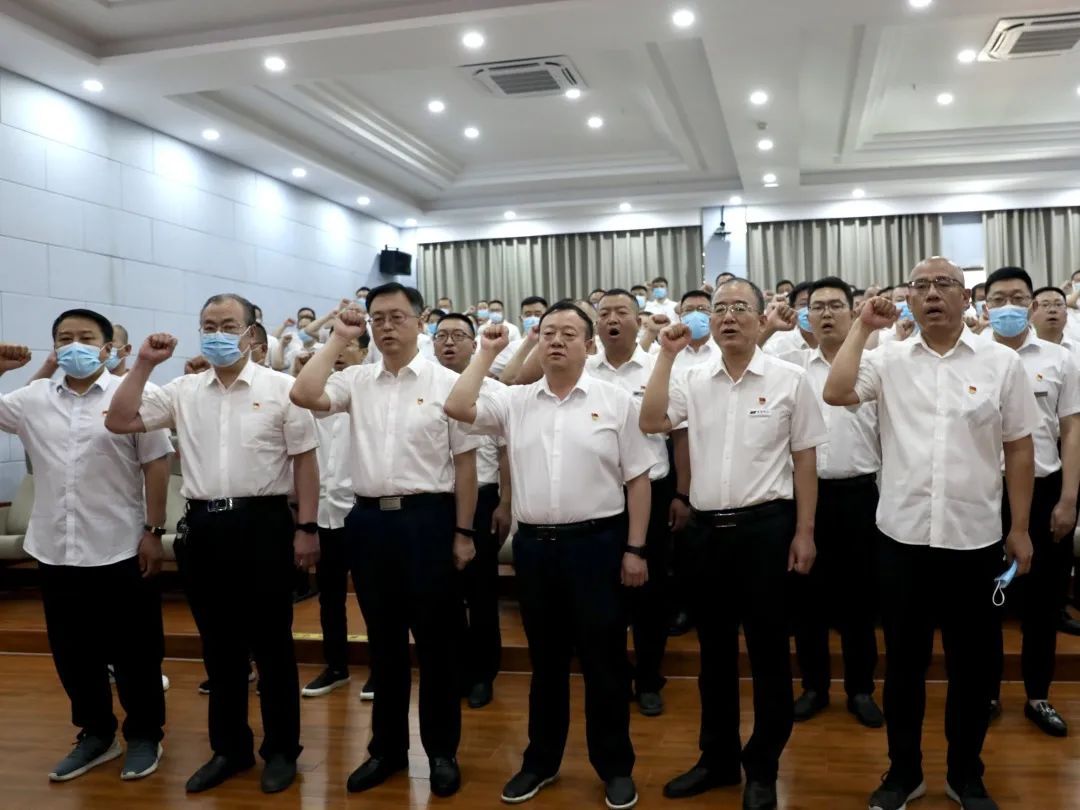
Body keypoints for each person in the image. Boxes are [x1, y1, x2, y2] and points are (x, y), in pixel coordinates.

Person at [823, 257, 1038, 810]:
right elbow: (836, 392)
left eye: (945, 284)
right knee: (903, 667)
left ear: (967, 298)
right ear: (910, 300)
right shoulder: (887, 359)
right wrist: (862, 327)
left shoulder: (1001, 362)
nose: (933, 293)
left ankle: (966, 775)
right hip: (902, 540)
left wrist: (1019, 528)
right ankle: (904, 773)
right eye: (921, 286)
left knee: (973, 670)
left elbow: (1019, 448)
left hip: (975, 540)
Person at [105, 293, 320, 796]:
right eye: (207, 325)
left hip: (264, 523)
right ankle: (230, 748)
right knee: (219, 649)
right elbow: (118, 419)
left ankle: (281, 750)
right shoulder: (183, 390)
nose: (216, 334)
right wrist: (144, 364)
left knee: (272, 647)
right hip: (204, 527)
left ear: (251, 333)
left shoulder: (282, 388)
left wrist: (307, 527)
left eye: (227, 325)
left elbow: (305, 461)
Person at [444, 301, 653, 810]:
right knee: (547, 663)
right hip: (536, 548)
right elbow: (458, 405)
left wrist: (635, 548)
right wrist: (487, 351)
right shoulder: (515, 401)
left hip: (598, 545)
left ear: (589, 345)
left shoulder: (616, 400)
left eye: (568, 333)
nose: (556, 341)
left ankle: (615, 767)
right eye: (547, 333)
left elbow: (638, 479)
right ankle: (540, 761)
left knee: (604, 663)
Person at [290, 282, 480, 799]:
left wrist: (464, 532)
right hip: (370, 521)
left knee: (437, 645)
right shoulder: (356, 380)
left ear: (421, 322)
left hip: (429, 519)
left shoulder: (449, 383)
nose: (387, 326)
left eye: (397, 316)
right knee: (384, 642)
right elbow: (303, 394)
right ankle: (387, 751)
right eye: (378, 318)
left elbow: (465, 467)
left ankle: (441, 752)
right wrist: (338, 336)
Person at [640, 279, 824, 810]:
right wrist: (665, 355)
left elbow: (805, 460)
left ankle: (762, 767)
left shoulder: (790, 379)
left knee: (768, 655)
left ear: (760, 317)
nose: (727, 316)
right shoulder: (691, 377)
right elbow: (651, 421)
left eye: (740, 307)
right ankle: (717, 758)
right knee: (714, 656)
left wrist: (805, 532)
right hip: (705, 534)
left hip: (767, 530)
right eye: (719, 308)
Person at [0, 311, 171, 783]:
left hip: (120, 544)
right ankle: (96, 734)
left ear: (107, 347)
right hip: (56, 548)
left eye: (86, 337)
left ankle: (144, 735)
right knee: (73, 653)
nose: (74, 345)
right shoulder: (33, 398)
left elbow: (157, 464)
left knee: (136, 653)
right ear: (54, 347)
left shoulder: (133, 394)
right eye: (64, 338)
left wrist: (154, 531)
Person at [782, 277, 883, 729]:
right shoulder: (790, 368)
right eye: (816, 306)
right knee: (806, 599)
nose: (825, 313)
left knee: (860, 599)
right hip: (803, 496)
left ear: (853, 311)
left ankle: (861, 689)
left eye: (835, 305)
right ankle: (814, 687)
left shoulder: (875, 366)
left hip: (860, 495)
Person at [982, 267, 1079, 737]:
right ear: (984, 306)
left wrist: (1069, 498)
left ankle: (1038, 695)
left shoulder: (1060, 359)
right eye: (998, 299)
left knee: (1043, 603)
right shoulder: (972, 356)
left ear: (1033, 305)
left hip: (1045, 494)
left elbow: (1072, 431)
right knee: (984, 604)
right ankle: (986, 693)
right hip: (984, 495)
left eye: (1018, 298)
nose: (1008, 307)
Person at [590, 290, 673, 717]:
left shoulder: (658, 367)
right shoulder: (584, 370)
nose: (612, 319)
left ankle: (649, 678)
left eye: (621, 311)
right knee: (605, 594)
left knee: (650, 596)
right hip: (600, 496)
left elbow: (679, 434)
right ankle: (616, 675)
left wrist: (682, 494)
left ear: (639, 320)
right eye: (604, 313)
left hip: (653, 492)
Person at [433, 313, 513, 708]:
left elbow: (506, 453)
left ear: (473, 343)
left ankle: (483, 673)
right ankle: (455, 670)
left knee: (481, 593)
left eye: (457, 336)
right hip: (436, 502)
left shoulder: (495, 390)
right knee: (443, 594)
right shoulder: (426, 385)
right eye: (441, 335)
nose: (448, 343)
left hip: (483, 500)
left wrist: (506, 502)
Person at [299, 336, 370, 700]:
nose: (339, 354)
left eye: (349, 346)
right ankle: (336, 666)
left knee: (375, 598)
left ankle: (381, 668)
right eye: (334, 347)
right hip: (324, 514)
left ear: (365, 351)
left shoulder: (371, 392)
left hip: (361, 513)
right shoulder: (317, 398)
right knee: (329, 598)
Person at [490, 296, 548, 379]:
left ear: (548, 316)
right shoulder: (511, 347)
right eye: (528, 315)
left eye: (538, 314)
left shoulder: (557, 344)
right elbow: (494, 376)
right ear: (521, 319)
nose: (533, 319)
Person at [761, 281, 818, 356]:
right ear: (793, 308)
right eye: (803, 304)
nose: (809, 310)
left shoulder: (832, 342)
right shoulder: (778, 347)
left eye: (816, 305)